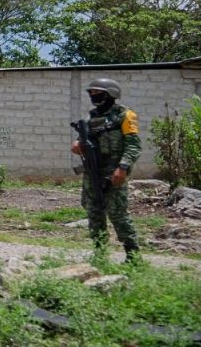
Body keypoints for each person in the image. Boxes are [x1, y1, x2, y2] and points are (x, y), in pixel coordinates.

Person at [71, 78, 141, 263]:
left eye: (97, 92)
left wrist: (123, 168)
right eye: (91, 93)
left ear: (111, 94)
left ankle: (133, 256)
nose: (93, 96)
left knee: (118, 213)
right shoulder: (91, 117)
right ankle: (100, 254)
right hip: (93, 171)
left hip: (115, 172)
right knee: (94, 212)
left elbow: (133, 146)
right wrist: (78, 144)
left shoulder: (125, 115)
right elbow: (82, 140)